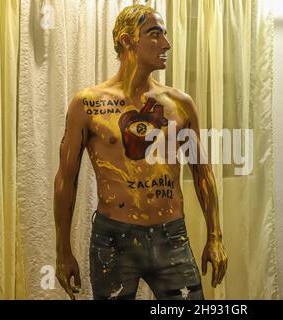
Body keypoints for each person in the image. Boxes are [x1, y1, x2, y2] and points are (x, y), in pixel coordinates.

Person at [54, 4, 227, 300]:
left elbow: (202, 172)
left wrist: (215, 237)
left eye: (165, 35)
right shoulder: (88, 104)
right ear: (127, 40)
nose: (166, 44)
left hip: (171, 234)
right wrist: (62, 251)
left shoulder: (179, 104)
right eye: (155, 34)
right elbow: (65, 180)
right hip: (113, 239)